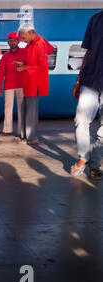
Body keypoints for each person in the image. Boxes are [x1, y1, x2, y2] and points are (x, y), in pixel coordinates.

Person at [70, 10, 103, 179]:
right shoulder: (95, 19)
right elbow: (88, 52)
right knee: (80, 120)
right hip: (91, 79)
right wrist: (78, 80)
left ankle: (95, 164)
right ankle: (83, 157)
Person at [14, 23, 54, 145]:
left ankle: (31, 138)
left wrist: (25, 67)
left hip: (35, 82)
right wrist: (23, 63)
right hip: (29, 81)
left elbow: (42, 66)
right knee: (25, 108)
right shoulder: (31, 44)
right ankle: (24, 136)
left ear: (30, 32)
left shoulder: (39, 43)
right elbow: (31, 60)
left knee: (31, 110)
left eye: (23, 38)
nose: (22, 40)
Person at [0, 32, 26, 136]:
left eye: (14, 40)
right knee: (7, 107)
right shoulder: (5, 56)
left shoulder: (24, 52)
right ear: (8, 42)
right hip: (9, 85)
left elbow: (29, 65)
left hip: (22, 85)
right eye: (10, 40)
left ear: (18, 41)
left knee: (22, 108)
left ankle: (22, 131)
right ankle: (7, 130)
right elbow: (1, 73)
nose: (12, 42)